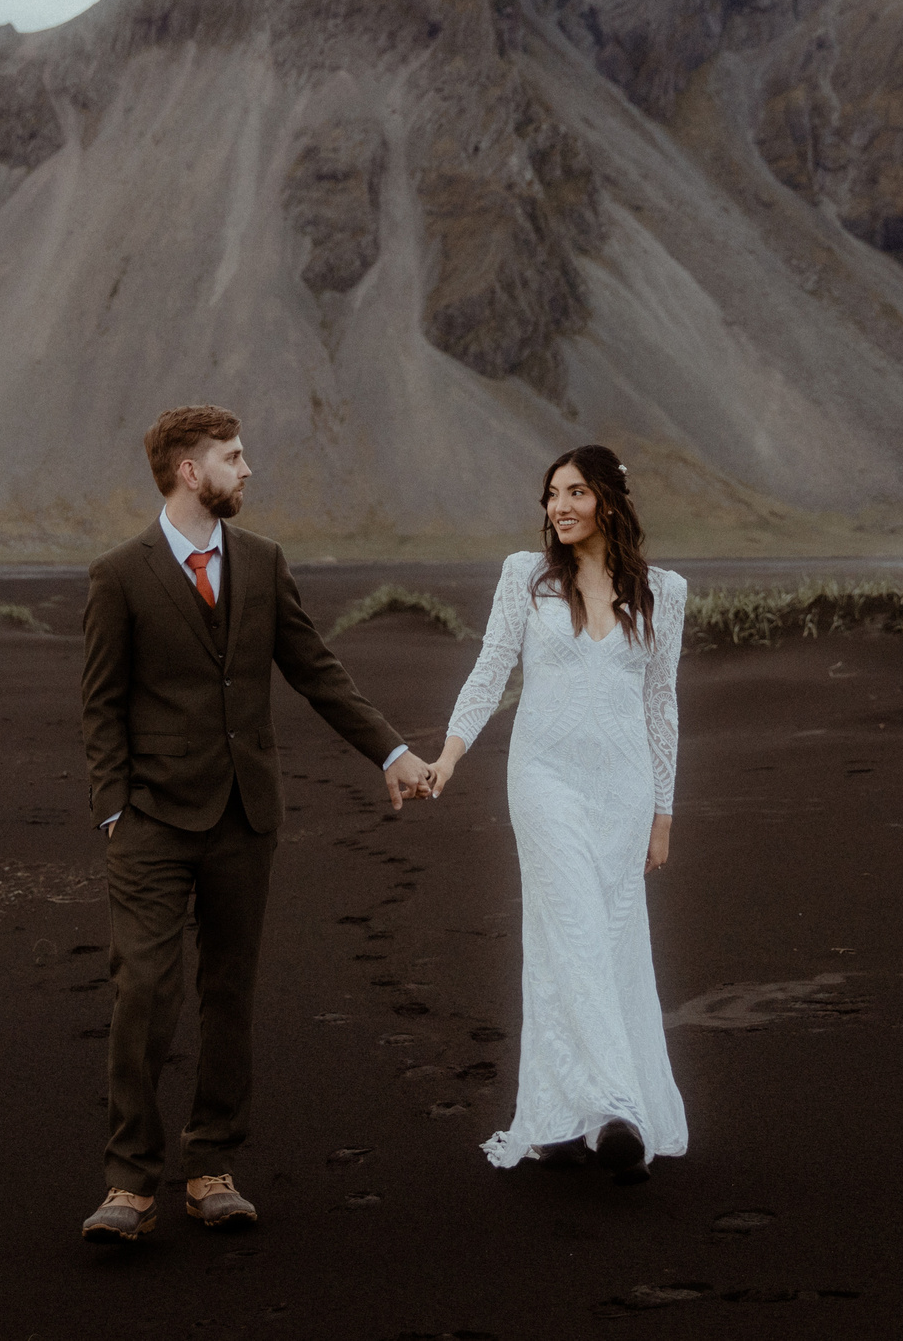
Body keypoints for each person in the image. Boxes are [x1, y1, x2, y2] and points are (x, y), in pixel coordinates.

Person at [78, 405, 434, 1242]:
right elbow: (99, 704)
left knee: (229, 994)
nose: (249, 469)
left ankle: (211, 1168)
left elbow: (319, 671)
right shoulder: (119, 574)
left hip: (246, 816)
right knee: (143, 991)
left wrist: (391, 754)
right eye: (234, 458)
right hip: (153, 824)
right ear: (188, 471)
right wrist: (114, 811)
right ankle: (129, 1184)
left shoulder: (264, 564)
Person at [427, 443, 687, 1182]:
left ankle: (560, 1118)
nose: (559, 507)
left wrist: (663, 813)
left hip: (624, 788)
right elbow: (489, 671)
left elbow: (661, 706)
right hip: (543, 779)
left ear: (608, 498)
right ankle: (617, 1108)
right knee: (572, 925)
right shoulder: (527, 578)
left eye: (574, 492)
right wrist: (449, 754)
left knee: (605, 937)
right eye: (551, 495)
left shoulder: (663, 592)